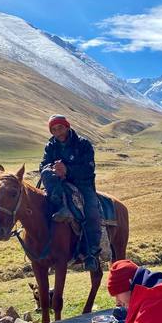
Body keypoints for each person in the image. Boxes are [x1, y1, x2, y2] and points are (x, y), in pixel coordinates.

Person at [40, 114, 101, 272]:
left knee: (92, 211)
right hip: (58, 185)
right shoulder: (50, 146)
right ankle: (45, 249)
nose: (57, 132)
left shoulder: (83, 144)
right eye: (53, 129)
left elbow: (88, 168)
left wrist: (67, 169)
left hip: (83, 184)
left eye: (60, 127)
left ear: (67, 126)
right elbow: (43, 165)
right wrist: (52, 169)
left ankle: (91, 253)